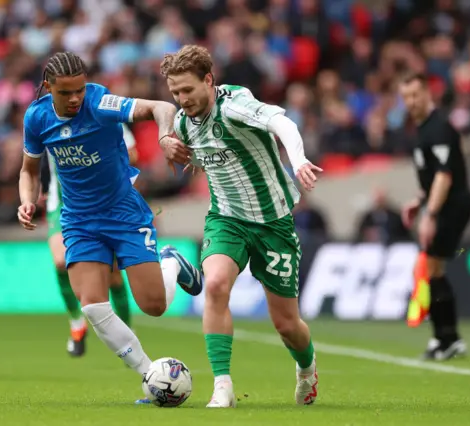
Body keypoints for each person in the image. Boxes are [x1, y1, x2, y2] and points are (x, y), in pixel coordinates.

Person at [17, 52, 203, 391]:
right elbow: (28, 170)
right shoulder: (36, 117)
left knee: (154, 306)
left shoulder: (101, 101)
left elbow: (161, 107)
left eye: (79, 90)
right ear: (48, 87)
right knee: (93, 306)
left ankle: (171, 263)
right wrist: (28, 200)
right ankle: (152, 377)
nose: (75, 99)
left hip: (123, 213)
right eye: (65, 93)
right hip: (78, 220)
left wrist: (164, 137)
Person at [159, 45, 322, 408]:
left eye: (187, 90)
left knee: (286, 324)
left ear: (208, 80)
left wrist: (298, 161)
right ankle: (222, 386)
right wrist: (169, 144)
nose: (182, 99)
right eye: (175, 93)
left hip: (273, 224)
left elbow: (283, 122)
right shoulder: (186, 123)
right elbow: (186, 143)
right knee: (216, 285)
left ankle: (307, 369)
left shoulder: (235, 104)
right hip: (226, 219)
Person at [42, 125, 138, 357]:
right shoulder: (44, 119)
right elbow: (32, 159)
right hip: (62, 204)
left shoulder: (106, 116)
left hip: (103, 204)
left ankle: (127, 336)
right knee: (59, 261)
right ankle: (77, 323)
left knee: (113, 272)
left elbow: (133, 153)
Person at [398, 71, 470, 361]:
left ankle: (448, 338)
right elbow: (432, 179)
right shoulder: (422, 130)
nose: (411, 102)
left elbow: (444, 176)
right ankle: (445, 338)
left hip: (453, 205)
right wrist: (418, 201)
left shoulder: (439, 128)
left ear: (429, 93)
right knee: (434, 271)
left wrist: (430, 214)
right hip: (443, 205)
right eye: (406, 97)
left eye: (415, 95)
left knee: (431, 269)